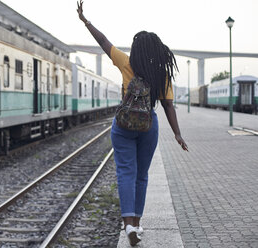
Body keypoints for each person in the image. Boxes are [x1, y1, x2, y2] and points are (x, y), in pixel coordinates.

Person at [76, 0, 188, 246]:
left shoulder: (126, 62)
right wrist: (178, 135)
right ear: (157, 51)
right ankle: (136, 222)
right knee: (142, 175)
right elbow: (168, 105)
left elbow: (103, 42)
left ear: (137, 50)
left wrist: (86, 21)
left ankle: (128, 225)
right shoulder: (162, 73)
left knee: (125, 172)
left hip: (123, 126)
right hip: (149, 126)